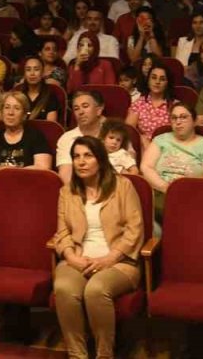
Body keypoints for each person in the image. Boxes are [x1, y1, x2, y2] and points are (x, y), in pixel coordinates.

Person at [52, 135, 144, 359]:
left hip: (119, 261)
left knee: (95, 290)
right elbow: (62, 232)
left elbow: (135, 228)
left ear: (100, 160)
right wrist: (71, 257)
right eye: (76, 157)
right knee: (63, 287)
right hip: (79, 259)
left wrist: (109, 258)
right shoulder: (67, 192)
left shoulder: (123, 186)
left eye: (87, 156)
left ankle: (104, 354)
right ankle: (77, 354)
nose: (81, 162)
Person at [141, 101, 203, 218]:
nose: (178, 122)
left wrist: (185, 193)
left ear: (194, 121)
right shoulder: (161, 140)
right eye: (174, 118)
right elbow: (146, 167)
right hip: (159, 193)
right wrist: (166, 187)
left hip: (192, 198)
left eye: (183, 117)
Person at [0, 92, 51, 177]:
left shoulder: (35, 136)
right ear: (2, 112)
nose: (10, 113)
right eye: (7, 107)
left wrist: (8, 174)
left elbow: (43, 167)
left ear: (24, 115)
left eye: (17, 108)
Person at [57, 90, 108, 186]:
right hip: (79, 192)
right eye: (76, 109)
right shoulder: (67, 138)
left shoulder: (115, 135)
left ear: (99, 110)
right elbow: (66, 176)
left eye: (85, 106)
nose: (80, 112)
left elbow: (128, 168)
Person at [125, 63, 172, 148]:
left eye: (162, 79)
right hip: (144, 145)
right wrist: (141, 138)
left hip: (167, 146)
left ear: (167, 83)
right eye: (154, 78)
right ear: (148, 80)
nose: (157, 82)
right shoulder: (139, 103)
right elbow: (129, 129)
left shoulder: (174, 106)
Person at [16, 55, 62, 122]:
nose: (32, 73)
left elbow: (51, 126)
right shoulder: (18, 95)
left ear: (42, 73)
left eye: (36, 69)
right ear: (24, 74)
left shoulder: (50, 97)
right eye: (28, 70)